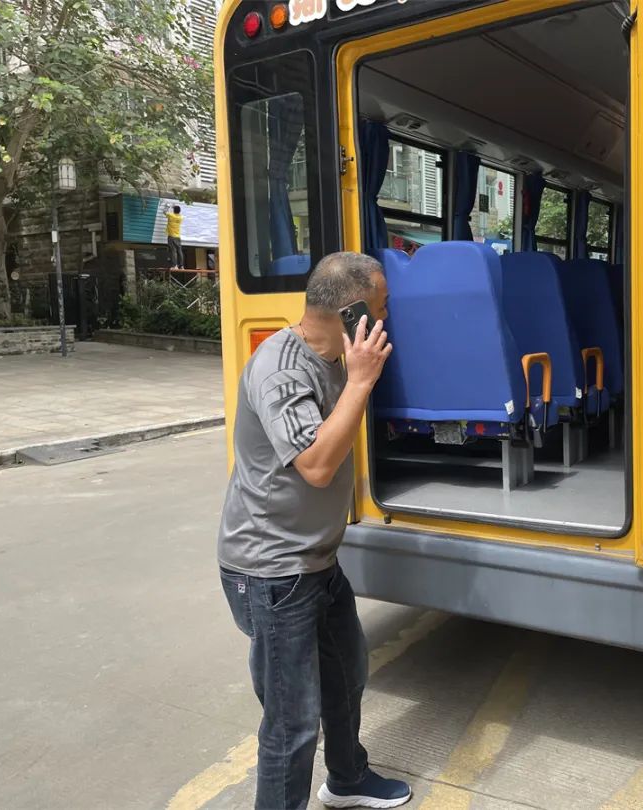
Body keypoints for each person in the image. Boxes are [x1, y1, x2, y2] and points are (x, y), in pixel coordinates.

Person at [217, 252, 409, 810]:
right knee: (292, 721)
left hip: (316, 562)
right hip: (271, 571)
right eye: (382, 306)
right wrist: (362, 381)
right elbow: (317, 466)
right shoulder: (281, 370)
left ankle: (347, 779)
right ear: (353, 313)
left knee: (345, 677)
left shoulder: (337, 356)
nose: (387, 316)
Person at [165, 204, 184, 270]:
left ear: (174, 211)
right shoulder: (181, 217)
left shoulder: (171, 215)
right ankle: (181, 266)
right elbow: (177, 212)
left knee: (173, 251)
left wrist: (167, 206)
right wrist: (175, 207)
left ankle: (174, 266)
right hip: (178, 236)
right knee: (179, 251)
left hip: (171, 236)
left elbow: (164, 212)